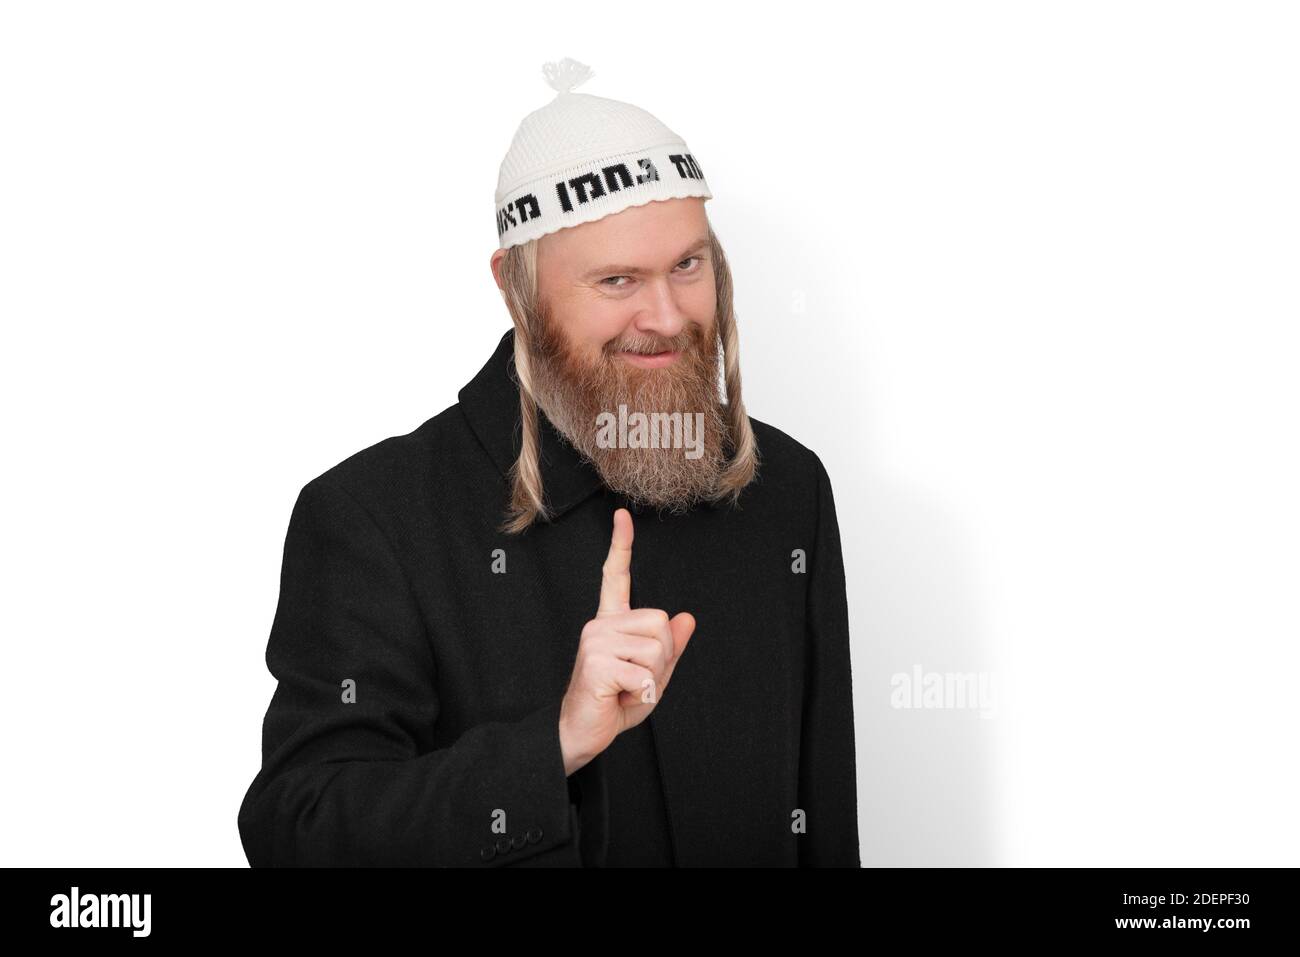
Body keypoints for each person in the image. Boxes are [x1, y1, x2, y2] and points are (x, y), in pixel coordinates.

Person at [237, 57, 860, 867]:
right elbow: (300, 828)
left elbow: (824, 822)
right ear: (516, 289)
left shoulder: (786, 489)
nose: (667, 317)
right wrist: (555, 742)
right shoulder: (374, 515)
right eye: (617, 279)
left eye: (688, 264)